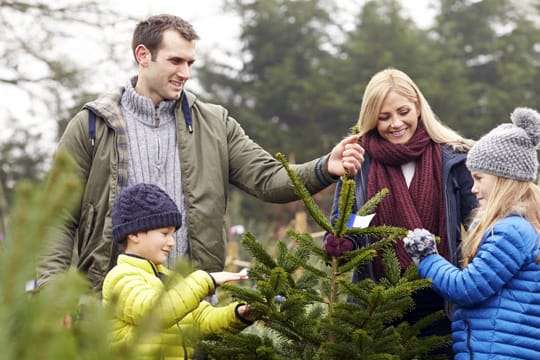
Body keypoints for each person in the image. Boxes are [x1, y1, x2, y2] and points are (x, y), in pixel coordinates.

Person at [36, 14, 364, 294]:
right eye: (175, 61)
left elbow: (268, 179)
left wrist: (325, 167)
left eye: (190, 62)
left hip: (192, 306)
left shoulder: (215, 124)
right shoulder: (91, 126)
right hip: (110, 309)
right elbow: (57, 217)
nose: (186, 73)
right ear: (143, 55)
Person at [323, 68, 478, 356]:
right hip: (378, 309)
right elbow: (353, 221)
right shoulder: (359, 162)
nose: (396, 123)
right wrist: (343, 240)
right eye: (384, 117)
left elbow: (482, 223)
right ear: (371, 118)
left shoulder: (454, 158)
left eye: (403, 111)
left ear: (418, 107)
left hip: (442, 308)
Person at [403, 107, 540, 359]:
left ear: (503, 178)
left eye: (479, 178)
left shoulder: (511, 232)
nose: (474, 189)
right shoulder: (520, 226)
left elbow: (466, 288)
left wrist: (427, 257)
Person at [102, 183, 254, 359]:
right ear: (134, 234)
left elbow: (201, 320)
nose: (172, 242)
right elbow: (156, 314)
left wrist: (239, 314)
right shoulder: (120, 278)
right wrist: (206, 280)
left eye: (172, 234)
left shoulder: (170, 278)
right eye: (164, 233)